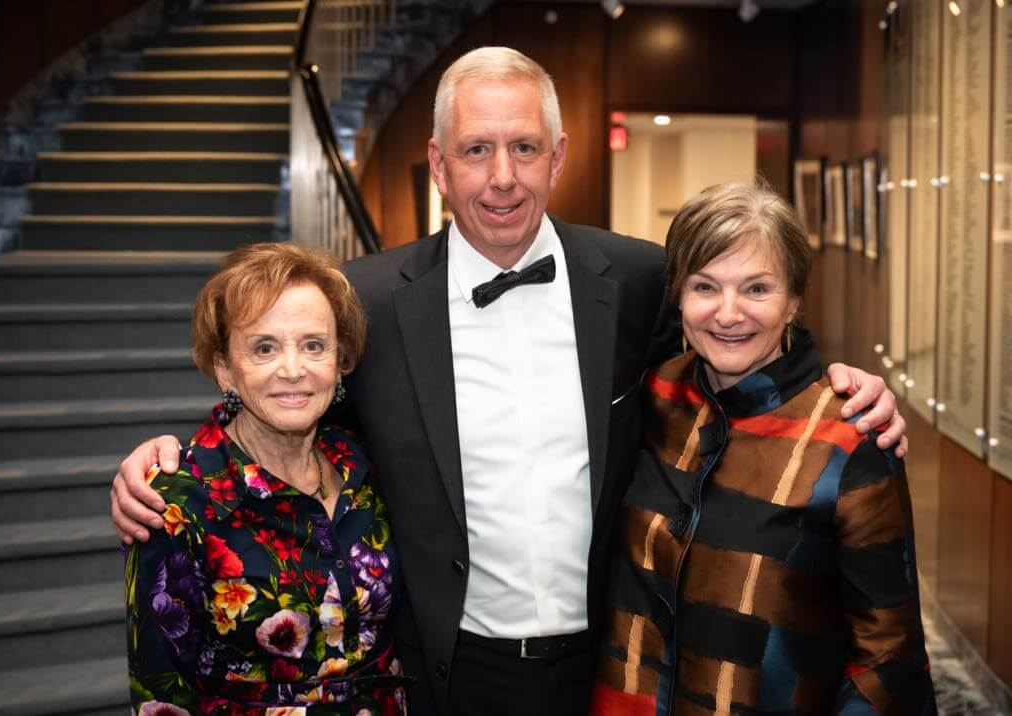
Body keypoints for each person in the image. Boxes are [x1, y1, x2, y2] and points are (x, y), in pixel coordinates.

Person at [110, 48, 906, 716]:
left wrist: (838, 385)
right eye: (476, 150)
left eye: (525, 148)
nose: (502, 177)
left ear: (558, 157)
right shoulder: (370, 300)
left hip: (606, 667)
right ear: (438, 163)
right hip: (442, 673)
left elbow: (734, 348)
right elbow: (289, 390)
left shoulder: (635, 279)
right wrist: (170, 458)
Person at [592, 182, 935, 715]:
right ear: (678, 296)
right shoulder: (651, 395)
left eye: (756, 288)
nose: (728, 314)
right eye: (705, 287)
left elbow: (888, 659)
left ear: (794, 300)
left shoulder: (849, 437)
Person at [124, 243, 408, 714]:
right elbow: (161, 691)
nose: (292, 370)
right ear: (224, 368)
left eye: (313, 345)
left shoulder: (365, 463)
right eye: (264, 348)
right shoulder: (178, 500)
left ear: (340, 361)